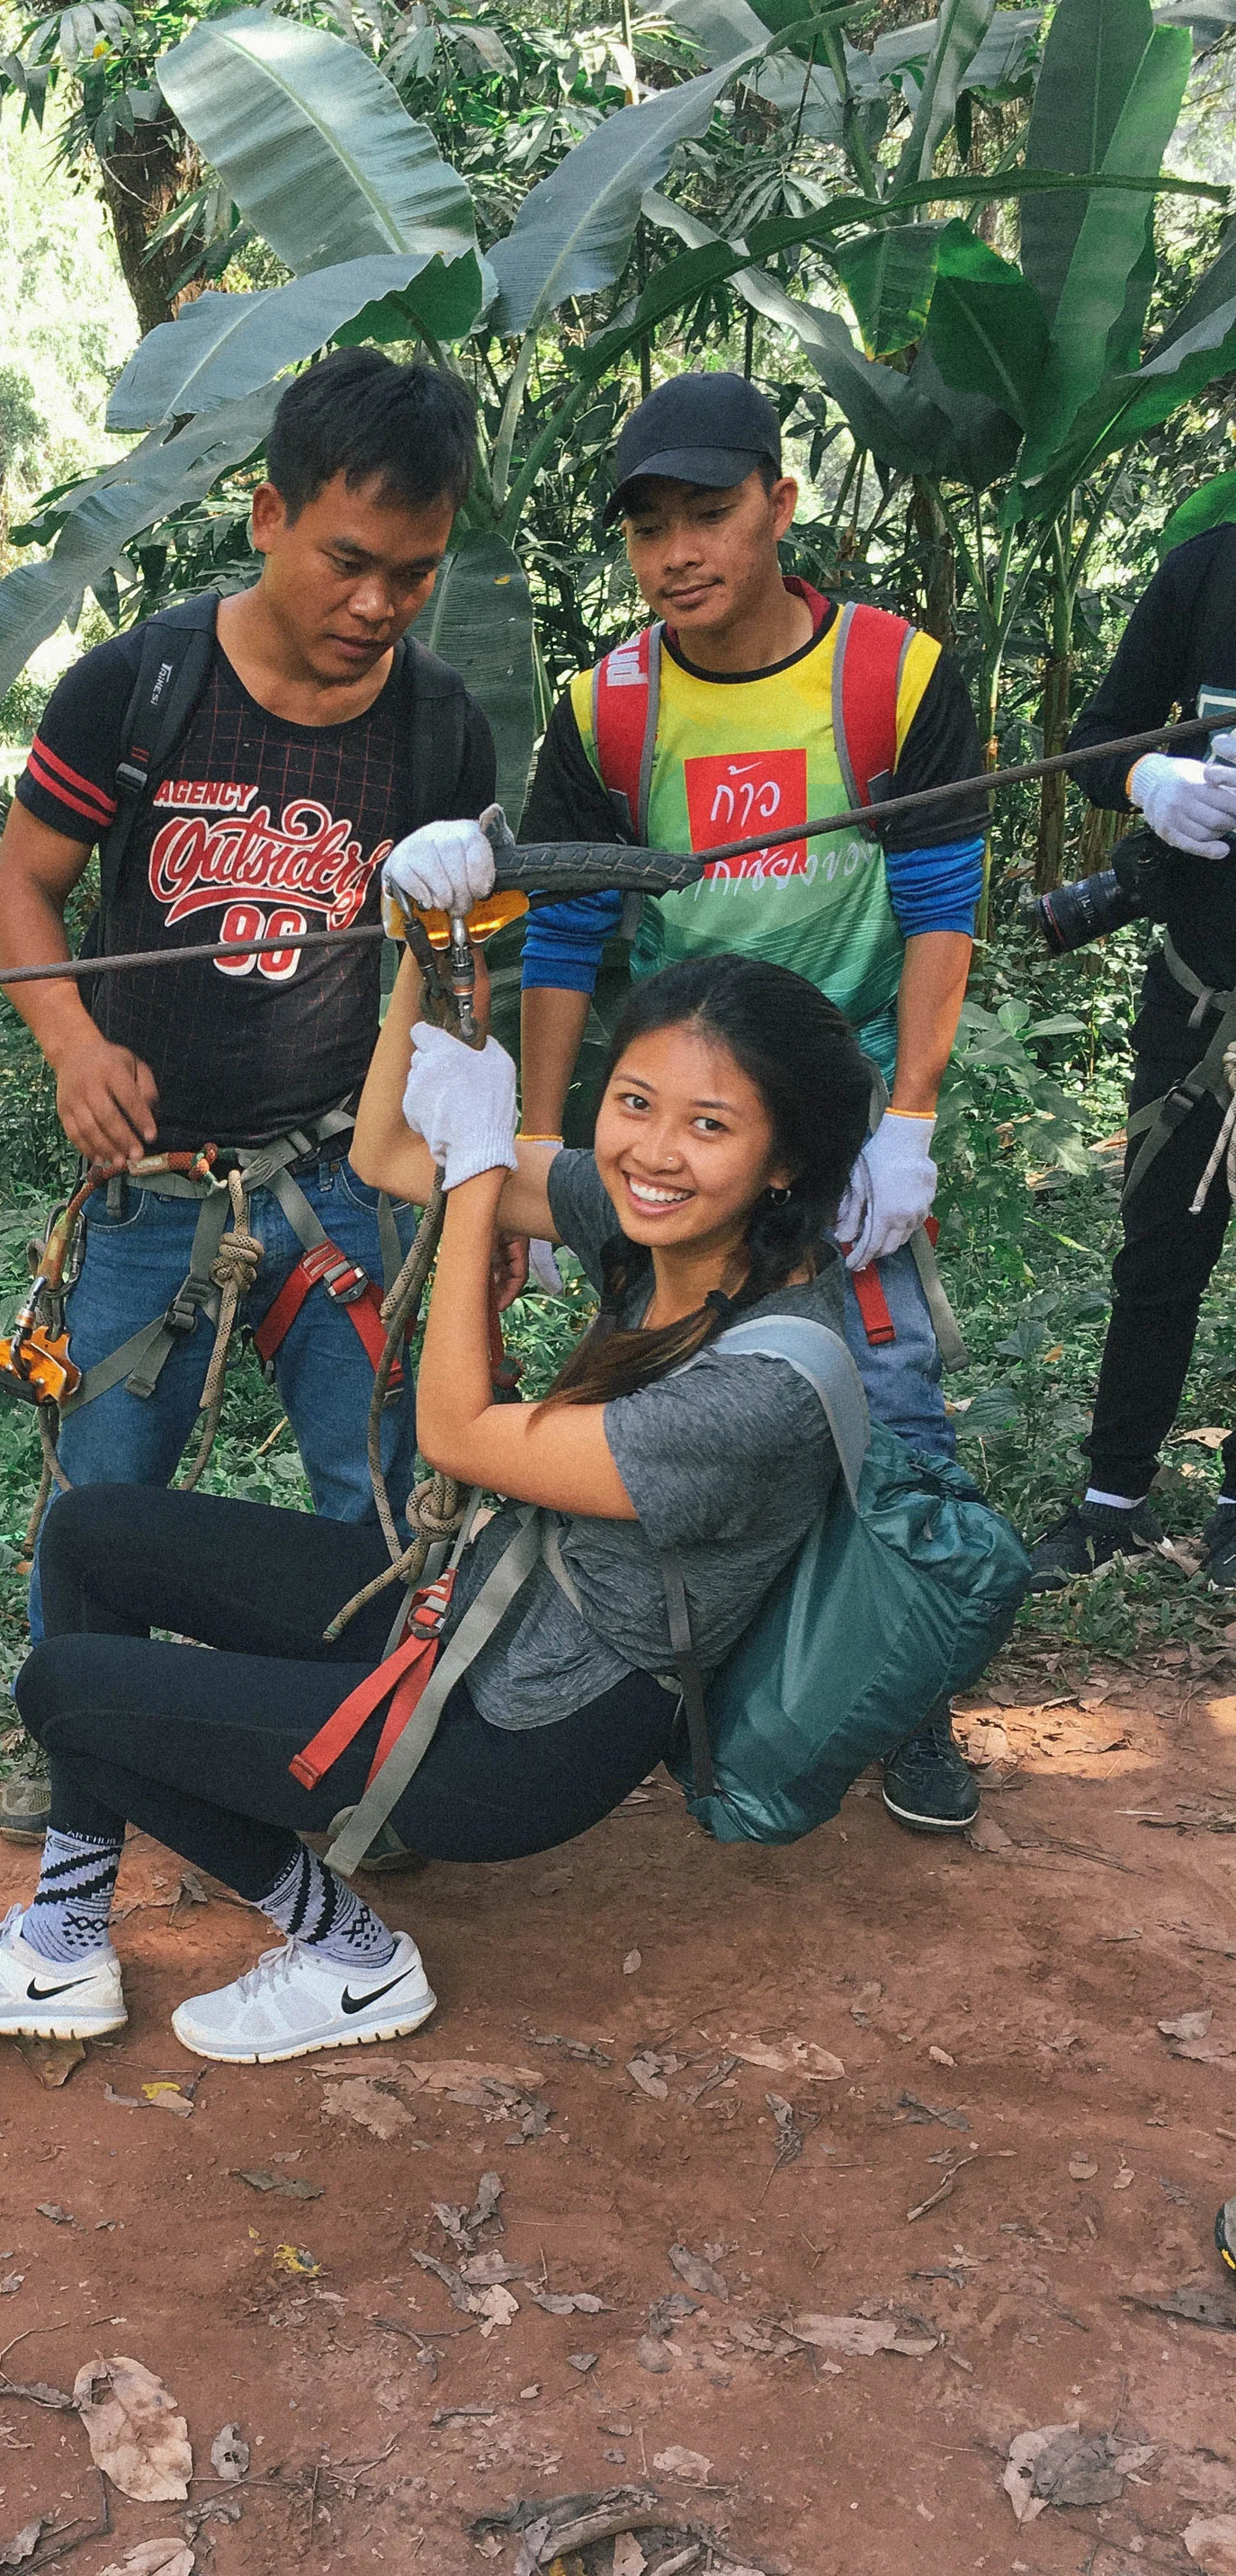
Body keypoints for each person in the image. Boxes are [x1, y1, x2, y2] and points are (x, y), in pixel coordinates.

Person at [0, 953, 873, 2066]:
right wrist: (416, 949)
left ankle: (350, 1957)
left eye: (708, 1125)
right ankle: (60, 1939)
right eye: (633, 1102)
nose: (651, 1150)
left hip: (518, 1738)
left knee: (69, 1691)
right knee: (91, 1533)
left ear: (785, 1160)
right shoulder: (666, 1229)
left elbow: (455, 1434)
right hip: (470, 1620)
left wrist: (480, 1181)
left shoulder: (760, 1392)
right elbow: (387, 1153)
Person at [382, 369, 992, 1833]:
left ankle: (906, 1701)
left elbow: (937, 907)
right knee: (669, 1407)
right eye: (648, 525)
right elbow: (570, 943)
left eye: (709, 512)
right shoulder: (610, 711)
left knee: (889, 1412)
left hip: (838, 1136)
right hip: (683, 1133)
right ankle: (666, 1680)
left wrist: (908, 1118)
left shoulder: (892, 680)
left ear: (781, 506)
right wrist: (520, 1146)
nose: (678, 552)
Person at [0, 344, 498, 1842]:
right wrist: (76, 1048)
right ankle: (80, 1730)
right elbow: (22, 880)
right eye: (349, 561)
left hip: (349, 1174)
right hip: (150, 1182)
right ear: (268, 515)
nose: (376, 606)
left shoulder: (435, 727)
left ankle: (368, 1744)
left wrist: (474, 1187)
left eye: (414, 573)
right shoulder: (141, 687)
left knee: (383, 1478)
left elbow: (455, 971)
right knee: (103, 1480)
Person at [1024, 521, 1236, 1585]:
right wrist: (1154, 775)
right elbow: (1097, 735)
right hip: (1195, 1000)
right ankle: (1113, 1500)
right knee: (1158, 1253)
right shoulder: (1207, 567)